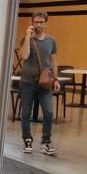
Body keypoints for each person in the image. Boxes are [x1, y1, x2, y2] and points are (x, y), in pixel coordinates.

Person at [17, 10, 60, 155]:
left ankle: (46, 142)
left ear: (46, 23)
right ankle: (27, 139)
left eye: (41, 22)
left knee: (48, 112)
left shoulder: (51, 41)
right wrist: (28, 36)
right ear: (32, 22)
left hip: (45, 82)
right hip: (28, 81)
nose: (38, 25)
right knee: (26, 113)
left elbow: (53, 61)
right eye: (35, 22)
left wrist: (56, 79)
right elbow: (24, 55)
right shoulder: (26, 39)